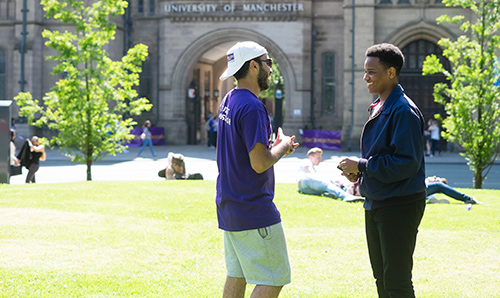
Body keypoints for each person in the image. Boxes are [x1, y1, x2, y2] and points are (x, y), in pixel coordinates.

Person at [338, 43, 426, 298]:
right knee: (381, 278)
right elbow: (382, 156)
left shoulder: (403, 110)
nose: (366, 77)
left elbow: (407, 163)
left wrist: (363, 165)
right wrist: (358, 172)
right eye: (365, 71)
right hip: (377, 201)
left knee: (396, 280)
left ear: (391, 73)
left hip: (400, 204)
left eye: (372, 72)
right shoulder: (380, 106)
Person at [216, 41, 299, 298]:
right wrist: (283, 146)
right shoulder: (253, 106)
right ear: (253, 66)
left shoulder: (230, 99)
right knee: (274, 277)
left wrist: (272, 147)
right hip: (252, 207)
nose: (271, 69)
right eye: (268, 63)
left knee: (237, 274)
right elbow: (259, 162)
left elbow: (249, 152)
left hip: (230, 204)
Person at [297, 147, 364, 202]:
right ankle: (345, 196)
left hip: (303, 188)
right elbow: (311, 173)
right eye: (318, 158)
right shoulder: (307, 161)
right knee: (327, 184)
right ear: (311, 157)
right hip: (305, 180)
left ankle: (329, 194)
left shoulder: (311, 166)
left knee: (323, 188)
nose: (320, 160)